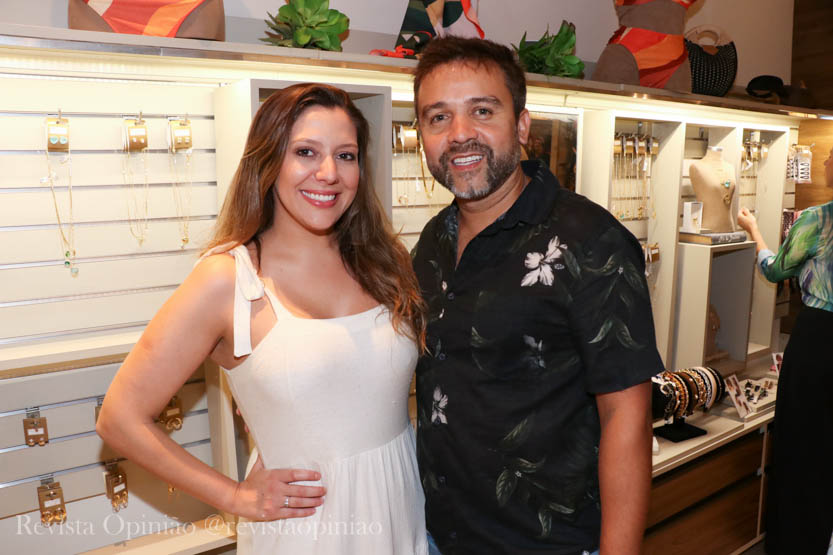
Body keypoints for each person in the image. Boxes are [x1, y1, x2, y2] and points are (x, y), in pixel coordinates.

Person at [97, 83, 429, 554]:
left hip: (398, 512)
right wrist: (234, 496)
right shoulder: (227, 280)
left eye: (346, 156)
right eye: (305, 152)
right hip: (308, 531)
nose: (329, 173)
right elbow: (119, 418)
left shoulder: (384, 261)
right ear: (269, 161)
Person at [410, 37, 664, 555]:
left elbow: (627, 417)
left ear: (522, 126)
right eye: (438, 118)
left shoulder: (590, 241)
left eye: (482, 111)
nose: (459, 134)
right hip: (440, 535)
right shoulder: (433, 242)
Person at [737, 146, 833, 555]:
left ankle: (795, 542)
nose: (825, 162)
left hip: (818, 342)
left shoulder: (817, 219)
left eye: (831, 156)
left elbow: (775, 270)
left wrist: (753, 231)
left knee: (801, 440)